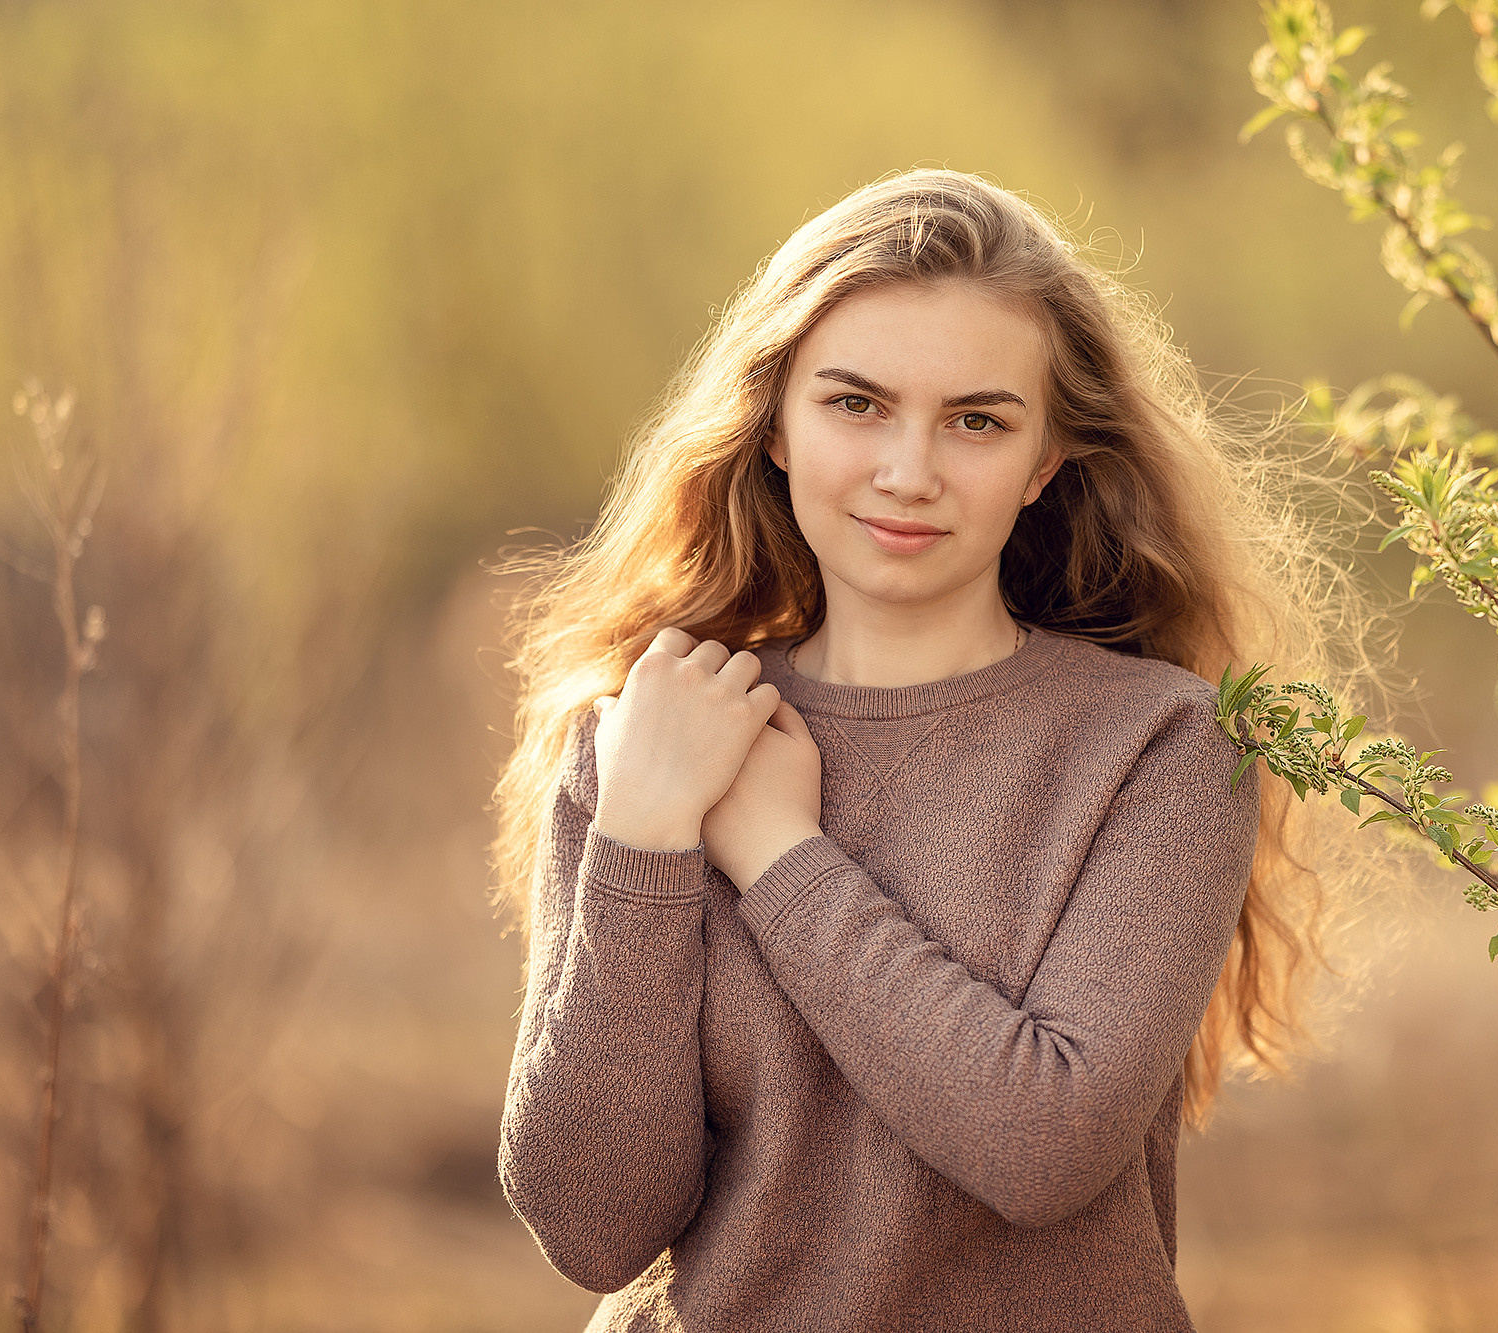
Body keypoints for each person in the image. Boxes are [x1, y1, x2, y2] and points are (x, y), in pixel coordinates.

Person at [488, 168, 1378, 1331]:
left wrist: (777, 852)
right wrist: (645, 838)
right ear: (773, 427)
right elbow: (593, 1225)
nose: (908, 471)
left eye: (975, 420)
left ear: (1045, 460)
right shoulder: (649, 735)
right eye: (854, 404)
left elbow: (1041, 1145)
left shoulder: (1158, 746)